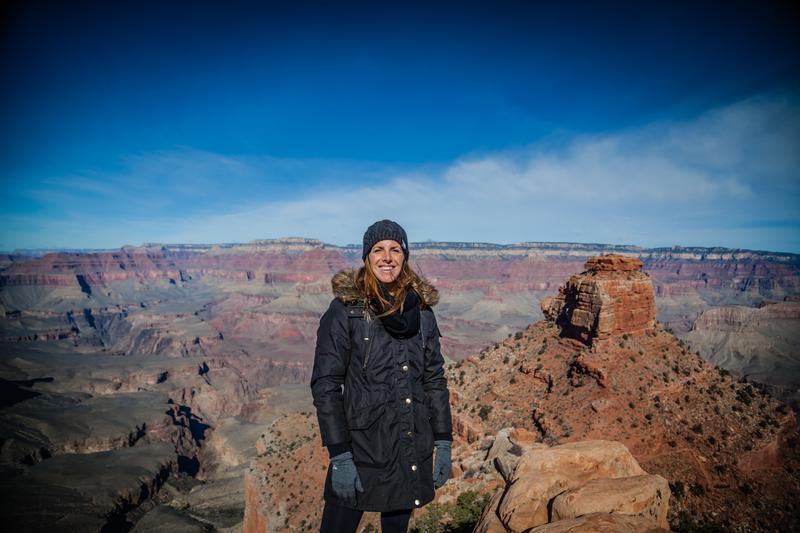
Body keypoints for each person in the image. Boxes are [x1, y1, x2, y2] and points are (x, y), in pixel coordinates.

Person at [310, 219, 453, 533]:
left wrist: (443, 442)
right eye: (378, 249)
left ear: (404, 256)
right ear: (366, 256)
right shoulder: (346, 311)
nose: (387, 257)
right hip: (361, 449)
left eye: (395, 249)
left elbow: (434, 380)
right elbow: (326, 385)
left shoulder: (422, 314)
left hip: (409, 445)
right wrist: (340, 455)